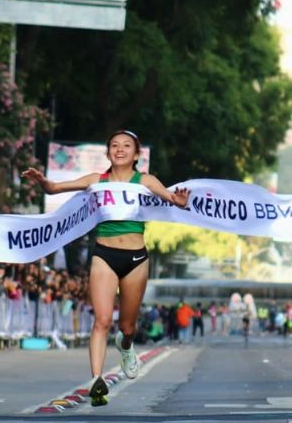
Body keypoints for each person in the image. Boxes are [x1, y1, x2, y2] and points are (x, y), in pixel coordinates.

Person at [22, 129, 189, 407]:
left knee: (127, 325)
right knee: (101, 320)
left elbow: (172, 199)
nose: (120, 149)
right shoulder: (95, 180)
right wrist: (43, 182)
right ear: (108, 152)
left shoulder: (145, 180)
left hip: (136, 258)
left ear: (136, 155)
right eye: (114, 145)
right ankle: (96, 380)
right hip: (104, 255)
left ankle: (126, 347)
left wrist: (179, 201)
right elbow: (54, 189)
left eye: (126, 146)